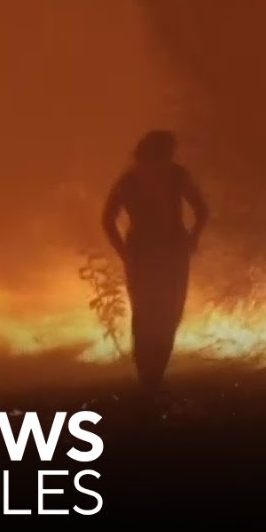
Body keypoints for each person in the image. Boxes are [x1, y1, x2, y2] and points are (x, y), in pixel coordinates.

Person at [101, 130, 209, 398]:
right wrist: (192, 238)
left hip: (152, 253)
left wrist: (124, 251)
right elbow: (201, 209)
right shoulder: (172, 176)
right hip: (162, 252)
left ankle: (151, 377)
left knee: (154, 313)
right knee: (161, 312)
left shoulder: (135, 180)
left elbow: (107, 219)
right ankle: (151, 377)